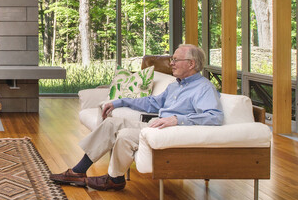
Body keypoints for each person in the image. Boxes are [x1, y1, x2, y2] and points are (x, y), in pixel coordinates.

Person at [50, 43, 222, 191]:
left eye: (176, 60)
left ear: (191, 63)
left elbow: (214, 117)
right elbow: (152, 103)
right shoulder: (175, 86)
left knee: (125, 135)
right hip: (156, 126)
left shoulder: (204, 88)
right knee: (110, 124)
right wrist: (119, 102)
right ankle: (78, 171)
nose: (171, 63)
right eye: (173, 59)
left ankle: (115, 179)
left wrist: (177, 120)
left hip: (172, 132)